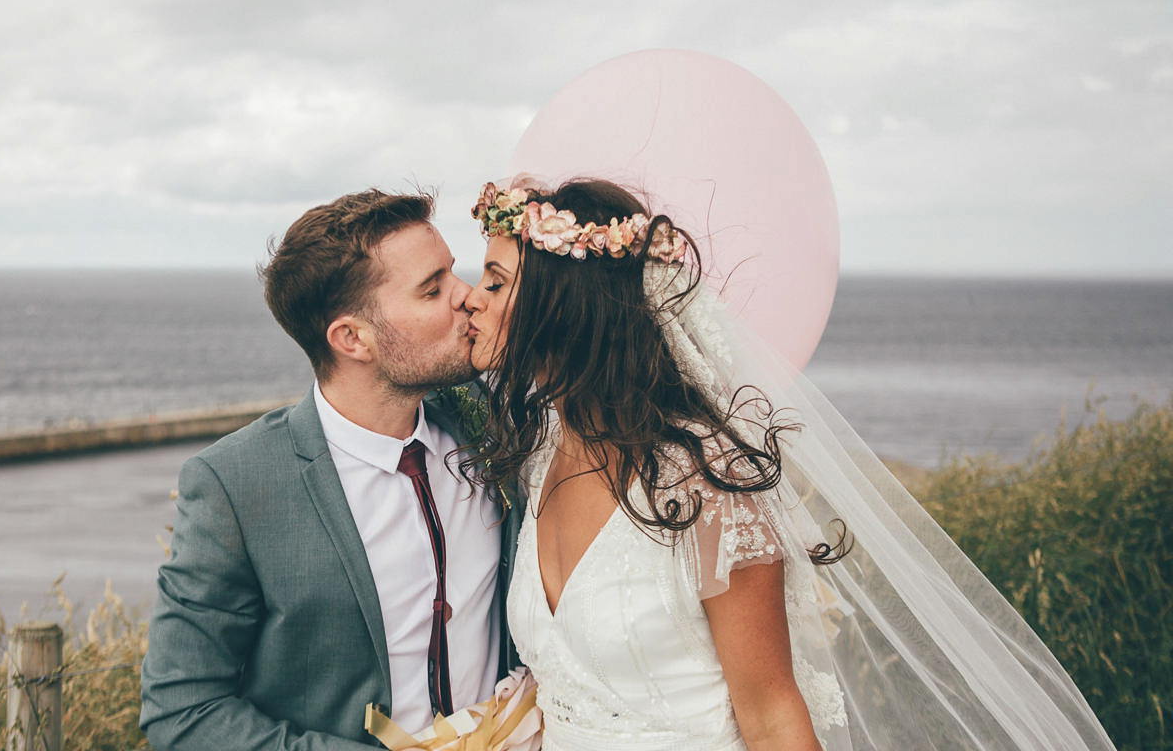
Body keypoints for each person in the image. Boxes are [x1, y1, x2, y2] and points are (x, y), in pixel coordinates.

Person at [461, 178, 1118, 751]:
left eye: (494, 281)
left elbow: (773, 717)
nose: (470, 299)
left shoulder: (710, 485)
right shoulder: (542, 452)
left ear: (567, 308)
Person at [140, 188, 519, 750]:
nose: (467, 298)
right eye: (432, 288)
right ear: (351, 338)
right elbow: (182, 711)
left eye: (454, 274)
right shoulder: (236, 486)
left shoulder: (496, 425)